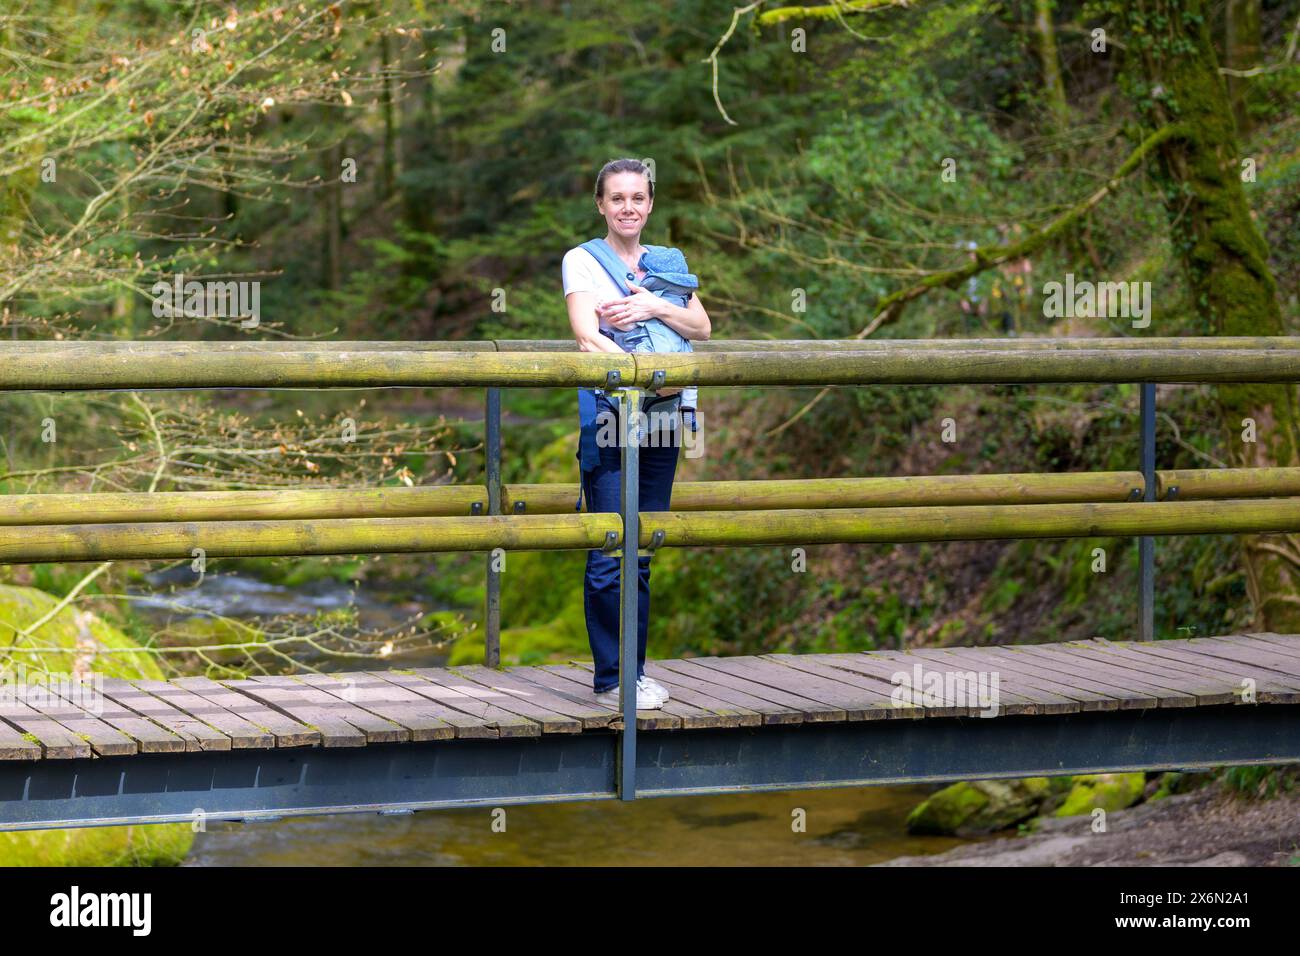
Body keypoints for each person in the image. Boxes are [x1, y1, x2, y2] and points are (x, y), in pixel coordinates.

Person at [561, 158, 711, 709]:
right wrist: (640, 366)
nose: (629, 208)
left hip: (667, 417)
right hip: (612, 411)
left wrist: (651, 305)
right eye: (617, 198)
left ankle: (636, 672)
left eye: (638, 198)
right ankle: (609, 679)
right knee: (609, 547)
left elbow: (703, 327)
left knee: (642, 546)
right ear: (600, 204)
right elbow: (584, 336)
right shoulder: (582, 261)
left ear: (650, 204)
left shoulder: (666, 263)